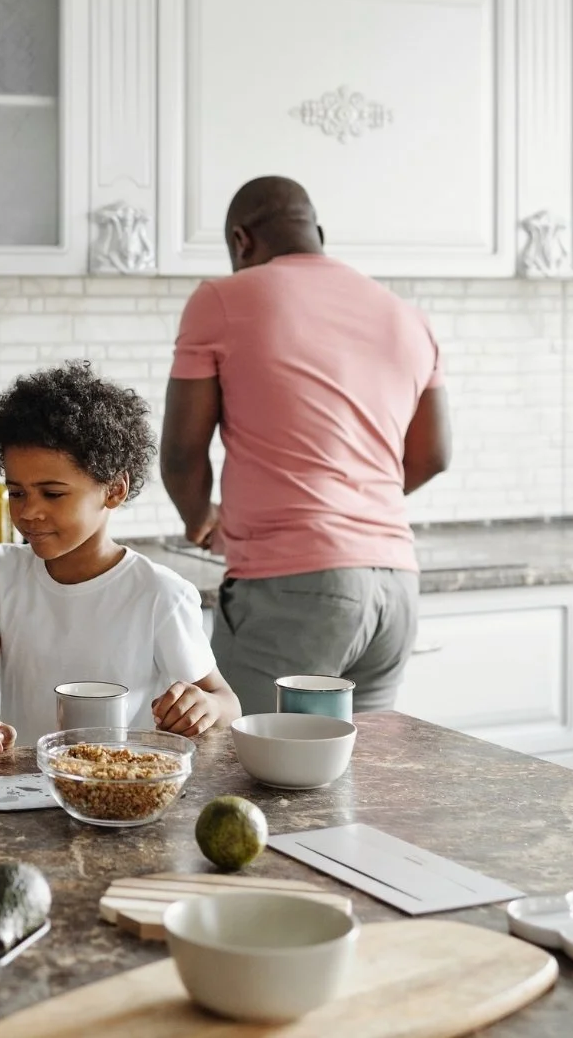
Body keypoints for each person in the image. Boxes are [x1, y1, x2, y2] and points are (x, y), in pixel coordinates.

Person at [161, 176, 451, 714]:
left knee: (240, 768)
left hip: (292, 585)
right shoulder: (406, 316)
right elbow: (434, 455)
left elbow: (181, 452)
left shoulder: (222, 299)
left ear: (241, 241)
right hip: (396, 589)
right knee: (358, 775)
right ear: (316, 231)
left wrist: (200, 518)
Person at [0, 363, 241, 756]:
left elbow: (225, 700)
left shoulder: (159, 593)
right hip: (26, 784)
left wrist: (205, 706)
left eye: (52, 494)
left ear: (114, 491)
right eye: (17, 493)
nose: (29, 512)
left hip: (122, 788)